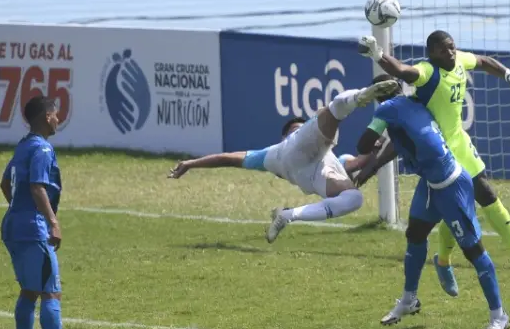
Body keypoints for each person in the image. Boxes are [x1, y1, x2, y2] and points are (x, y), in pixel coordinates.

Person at [359, 22, 510, 295]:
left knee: (486, 194)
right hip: (439, 151)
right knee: (456, 209)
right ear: (432, 54)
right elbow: (402, 70)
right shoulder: (427, 72)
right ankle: (443, 260)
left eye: (452, 46)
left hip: (459, 142)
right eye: (443, 50)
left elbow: (485, 61)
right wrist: (378, 54)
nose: (451, 53)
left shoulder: (460, 59)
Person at [356, 76, 510, 329]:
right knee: (415, 234)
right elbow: (397, 143)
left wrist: (372, 142)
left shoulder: (386, 110)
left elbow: (362, 145)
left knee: (474, 251)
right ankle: (409, 300)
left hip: (451, 185)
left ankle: (499, 316)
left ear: (375, 95)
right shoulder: (413, 104)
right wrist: (373, 167)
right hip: (430, 183)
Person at [169, 77, 401, 243]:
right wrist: (191, 163)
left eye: (299, 127)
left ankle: (287, 215)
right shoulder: (276, 150)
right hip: (300, 153)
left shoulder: (327, 161)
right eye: (294, 127)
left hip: (314, 173)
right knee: (331, 110)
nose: (298, 128)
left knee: (354, 198)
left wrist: (378, 146)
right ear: (285, 135)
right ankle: (363, 95)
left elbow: (357, 165)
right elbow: (228, 157)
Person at [1, 95, 76, 329]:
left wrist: (17, 211)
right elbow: (36, 188)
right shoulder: (43, 149)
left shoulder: (23, 146)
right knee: (50, 293)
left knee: (29, 290)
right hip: (33, 230)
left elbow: (6, 182)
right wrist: (52, 222)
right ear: (47, 116)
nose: (58, 119)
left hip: (12, 226)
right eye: (56, 114)